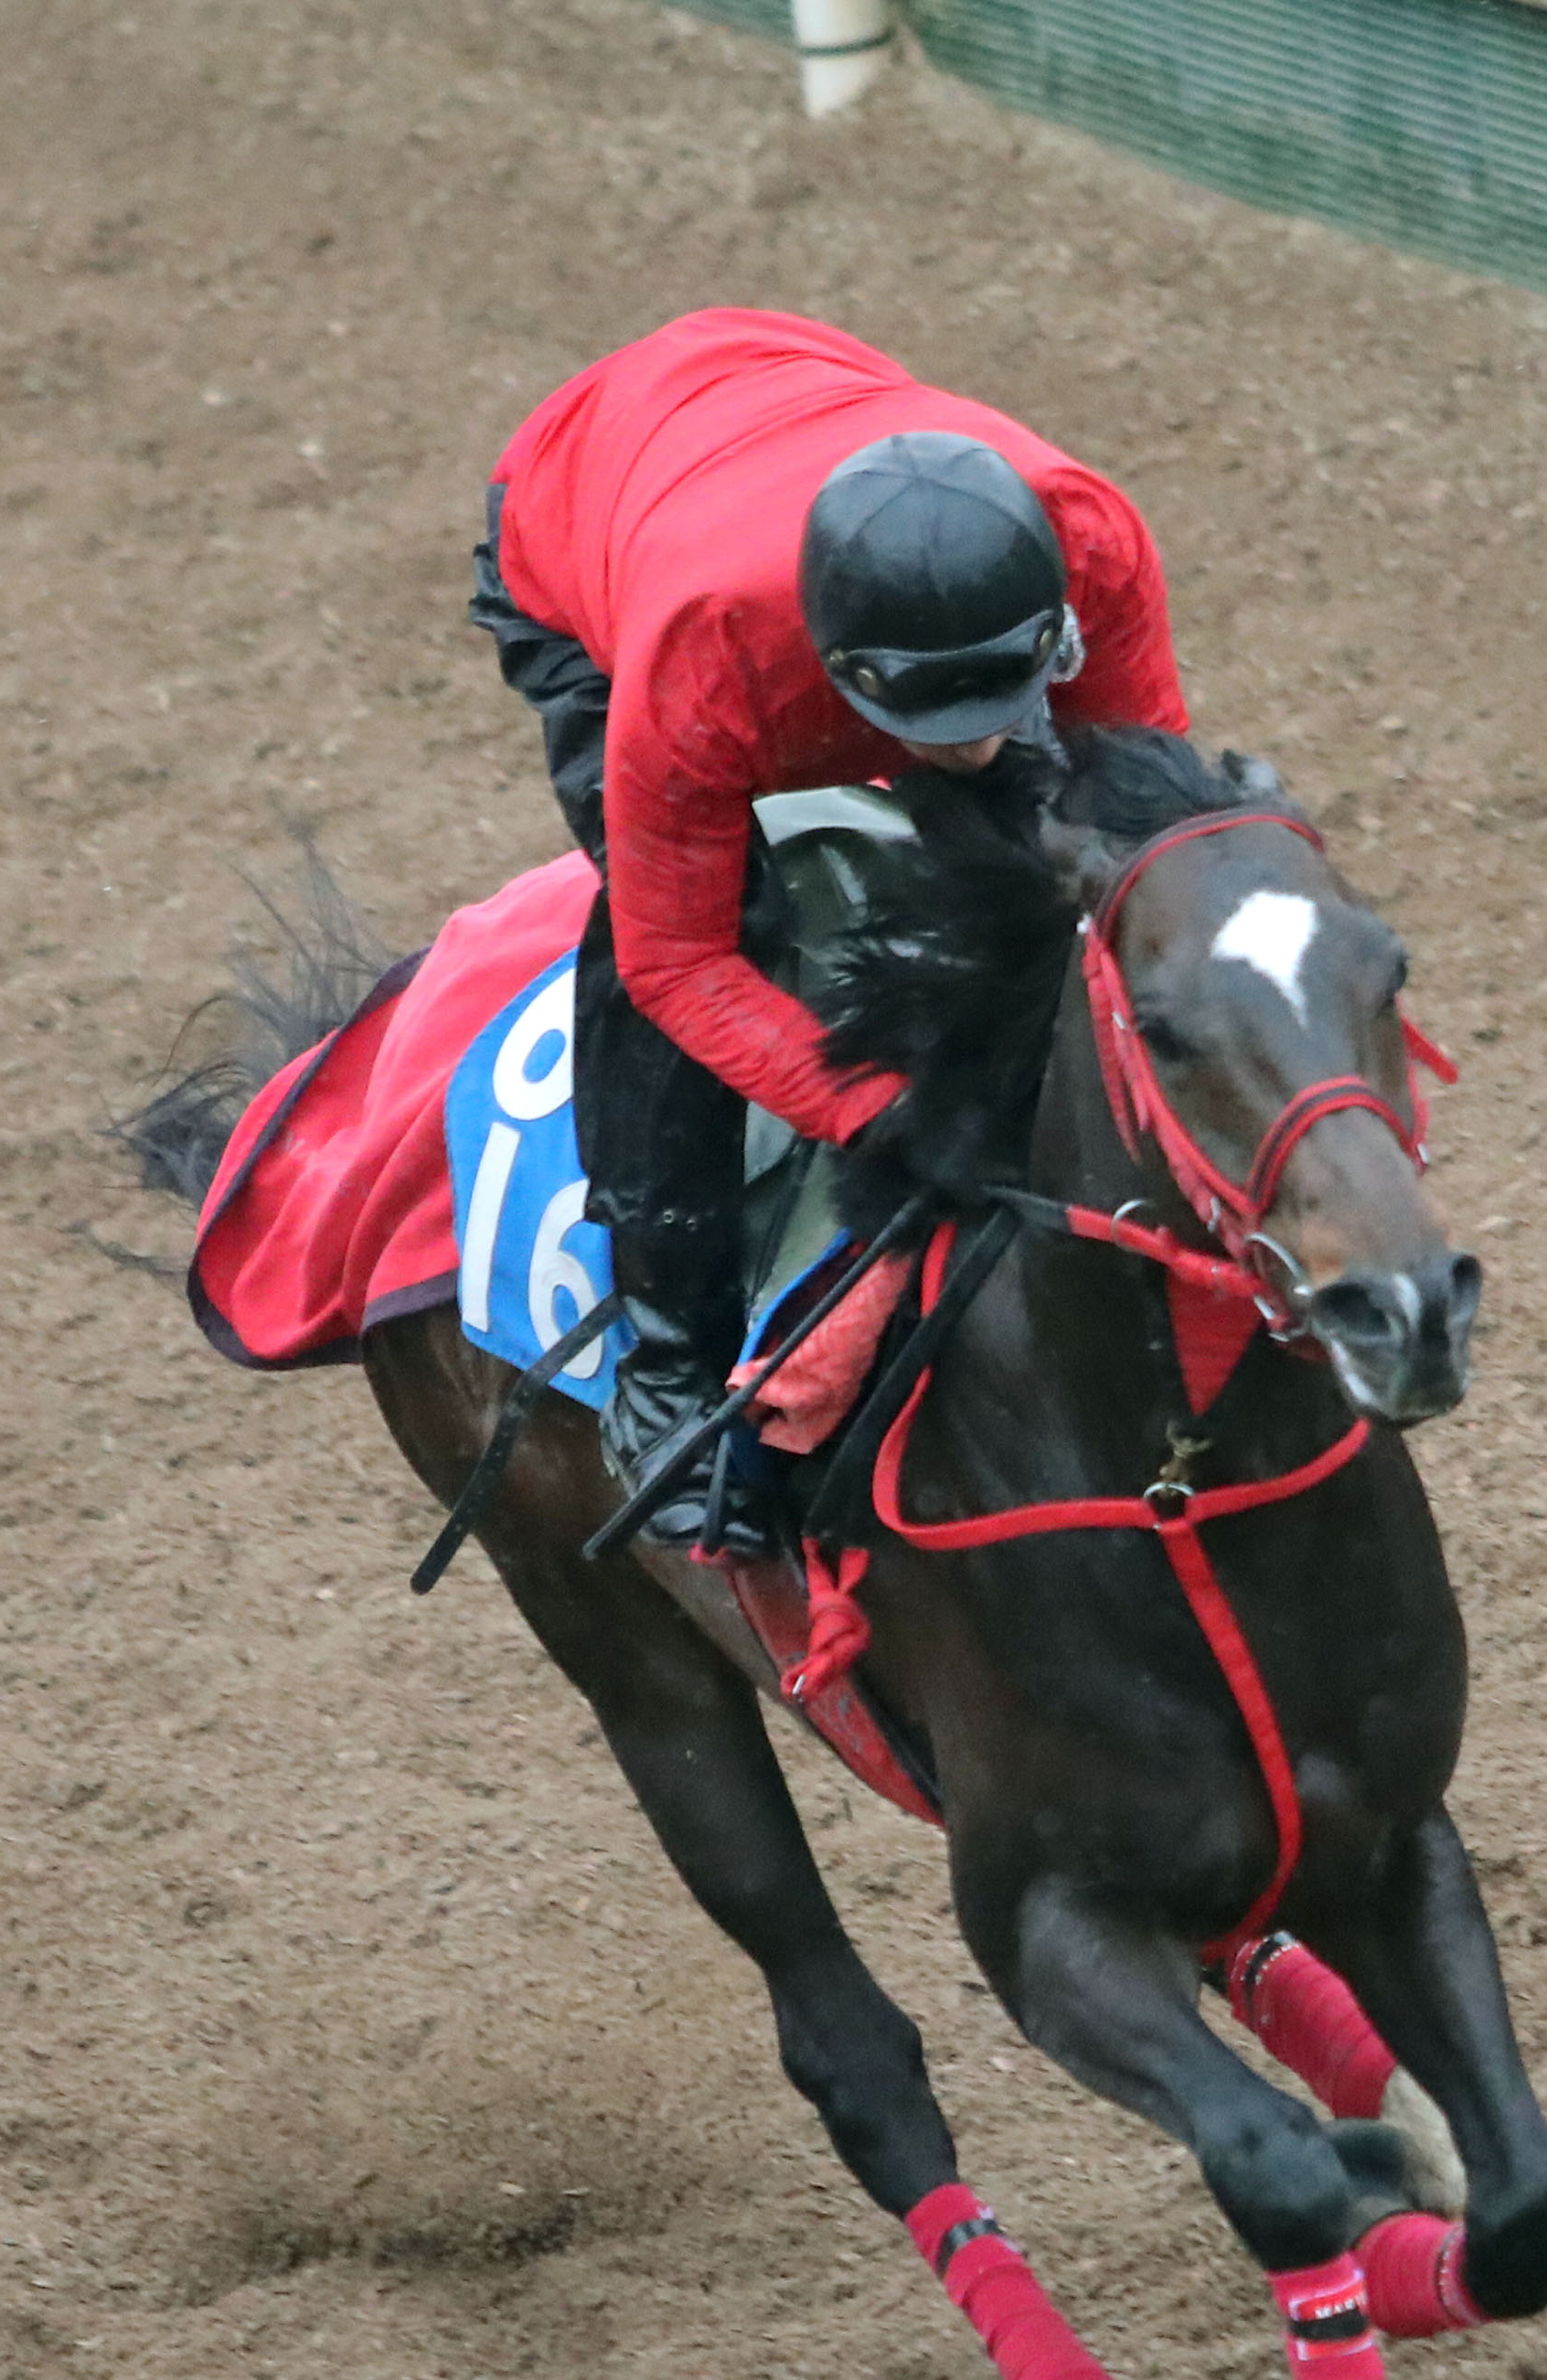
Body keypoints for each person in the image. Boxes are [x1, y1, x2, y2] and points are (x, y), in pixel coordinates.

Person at [470, 307, 1188, 1552]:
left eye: (1001, 699)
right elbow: (678, 964)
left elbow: (1145, 847)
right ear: (840, 672)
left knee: (1046, 832)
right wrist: (890, 1114)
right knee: (722, 916)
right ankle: (667, 1361)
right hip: (584, 502)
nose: (977, 743)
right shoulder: (704, 657)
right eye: (933, 721)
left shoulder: (1097, 542)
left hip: (792, 391)